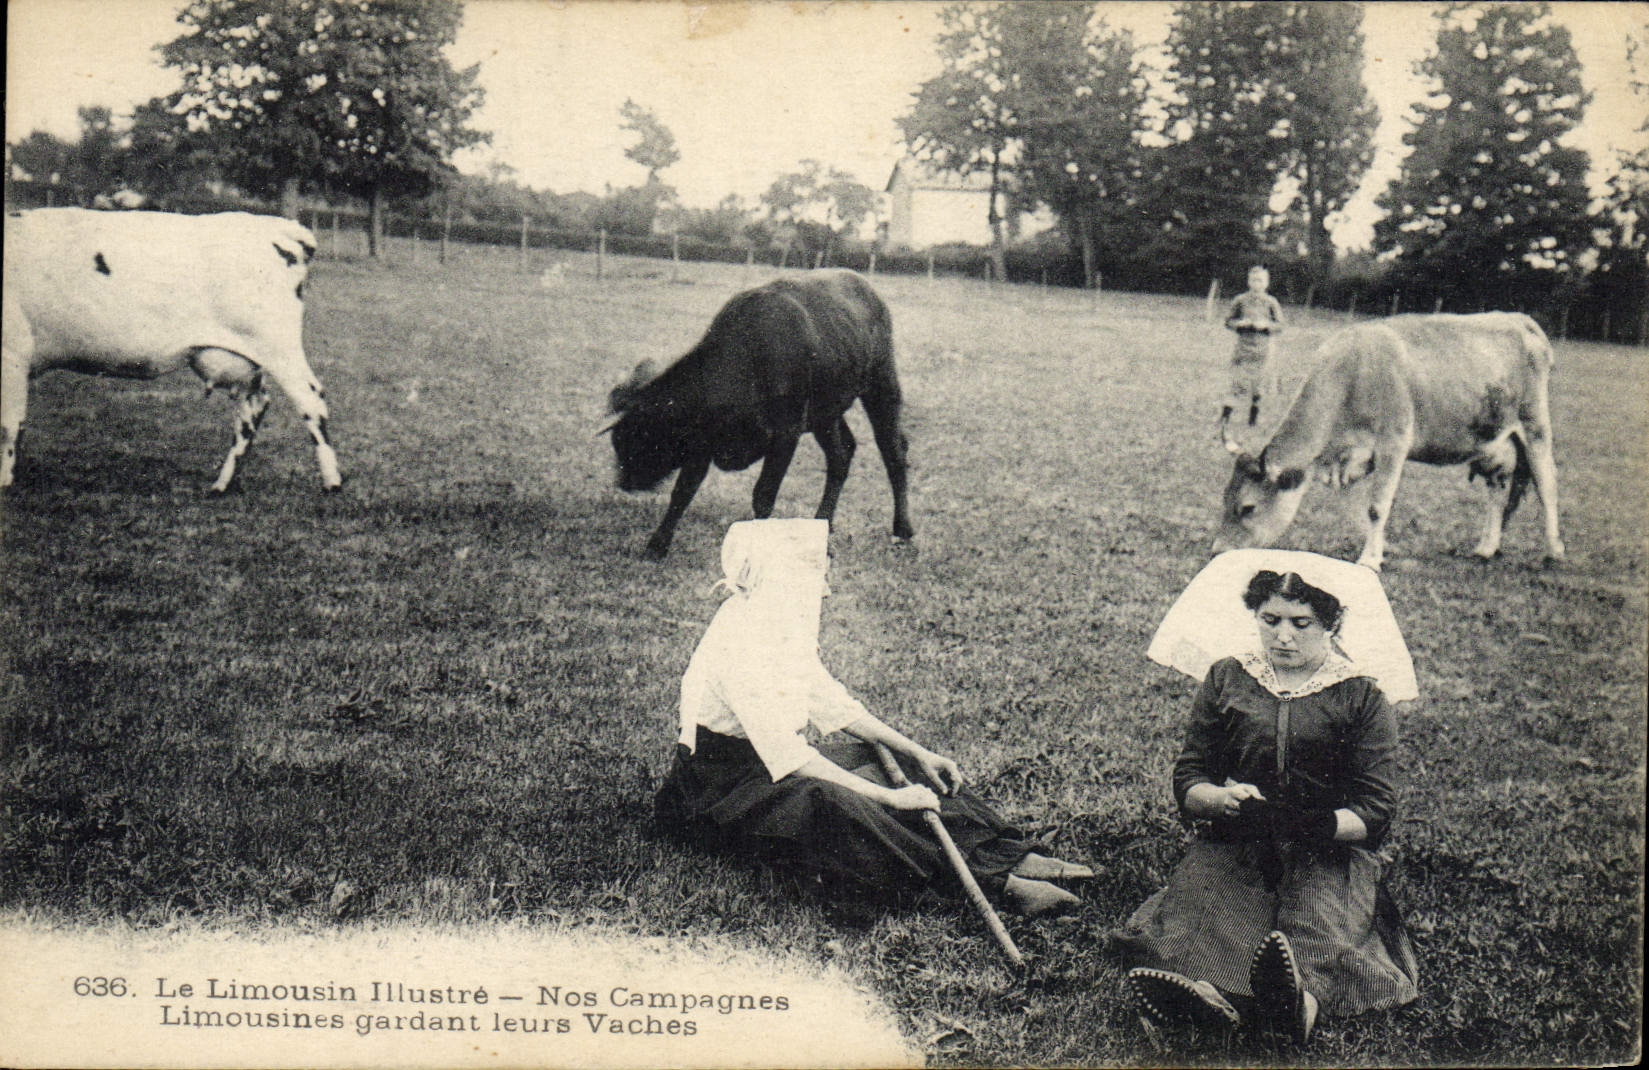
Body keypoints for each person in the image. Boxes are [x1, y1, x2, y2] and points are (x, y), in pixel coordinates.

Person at [655, 518, 1092, 916]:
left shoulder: (778, 624)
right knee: (835, 803)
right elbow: (789, 756)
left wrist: (918, 752)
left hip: (766, 769)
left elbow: (833, 704)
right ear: (782, 579)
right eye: (818, 578)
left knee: (891, 762)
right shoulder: (740, 642)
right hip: (717, 791)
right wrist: (891, 798)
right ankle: (992, 886)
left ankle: (1006, 853)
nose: (825, 590)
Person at [1110, 549, 1419, 1045]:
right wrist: (1220, 800)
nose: (1283, 635)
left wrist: (1314, 824)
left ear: (1332, 623)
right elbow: (1191, 774)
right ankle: (1207, 998)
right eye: (1270, 619)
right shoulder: (1229, 678)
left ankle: (1298, 1007)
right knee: (1208, 912)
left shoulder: (1361, 696)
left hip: (1328, 847)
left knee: (1317, 922)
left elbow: (1377, 808)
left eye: (1302, 622)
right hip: (1240, 836)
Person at [1221, 265, 1285, 450]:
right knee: (1238, 384)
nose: (1257, 284)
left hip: (1262, 351)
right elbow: (1228, 321)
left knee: (1257, 387)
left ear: (1266, 283)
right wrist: (1241, 324)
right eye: (1253, 280)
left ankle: (1252, 419)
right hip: (1243, 349)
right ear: (1248, 281)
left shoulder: (1271, 302)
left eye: (1261, 281)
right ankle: (1225, 419)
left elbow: (1280, 324)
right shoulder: (1240, 300)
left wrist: (1265, 325)